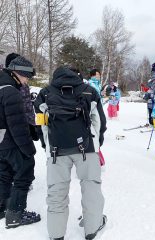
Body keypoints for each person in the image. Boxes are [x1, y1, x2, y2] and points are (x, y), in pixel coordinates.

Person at [34, 66, 107, 240]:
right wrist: (96, 144)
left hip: (56, 149)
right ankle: (92, 228)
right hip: (87, 147)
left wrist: (47, 146)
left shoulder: (44, 93)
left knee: (56, 192)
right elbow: (99, 122)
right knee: (91, 188)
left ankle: (56, 234)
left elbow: (40, 124)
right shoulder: (89, 91)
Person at [0, 56, 40, 228]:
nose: (26, 81)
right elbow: (17, 126)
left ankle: (2, 208)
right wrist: (29, 150)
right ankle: (15, 215)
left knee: (4, 174)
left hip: (1, 142)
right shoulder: (11, 92)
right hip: (10, 141)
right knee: (24, 172)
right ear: (16, 73)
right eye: (26, 76)